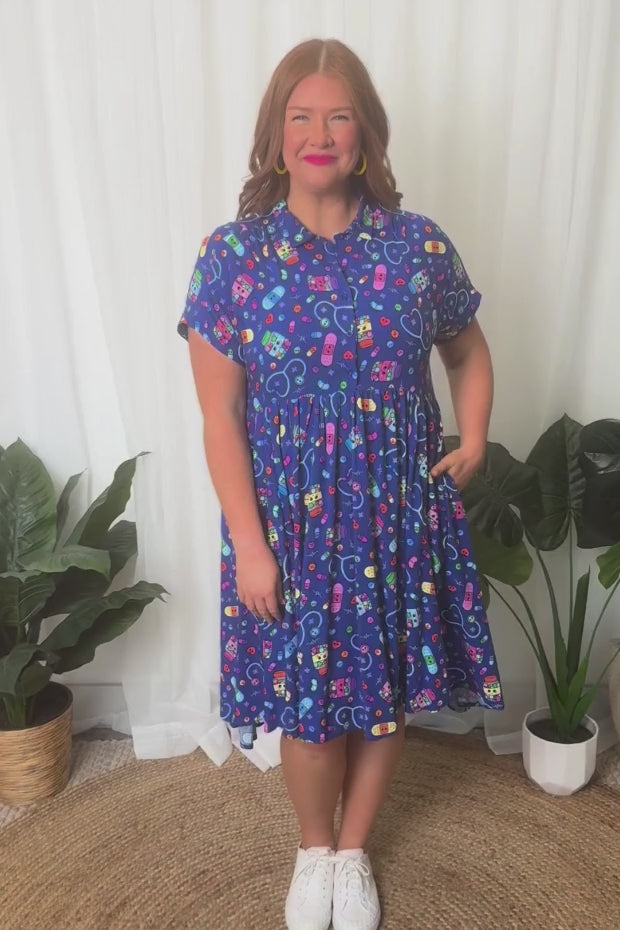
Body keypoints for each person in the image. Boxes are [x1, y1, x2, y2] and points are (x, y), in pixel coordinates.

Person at [178, 37, 504, 930]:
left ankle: (353, 852)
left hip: (394, 517)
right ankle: (313, 848)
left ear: (365, 134)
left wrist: (474, 435)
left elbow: (468, 350)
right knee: (310, 712)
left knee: (383, 701)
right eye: (301, 117)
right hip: (288, 529)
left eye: (338, 116)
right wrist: (250, 544)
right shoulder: (232, 257)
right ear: (276, 135)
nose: (319, 134)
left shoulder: (416, 245)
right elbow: (219, 416)